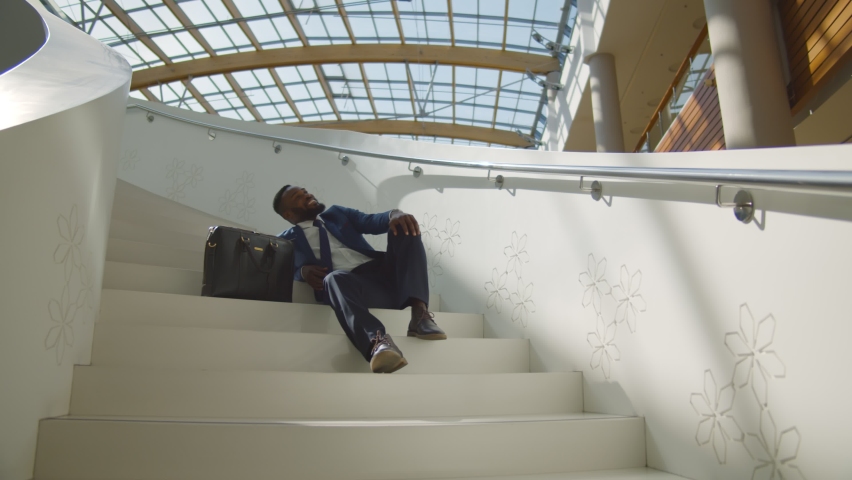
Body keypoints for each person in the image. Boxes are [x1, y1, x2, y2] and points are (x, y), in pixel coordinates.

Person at [273, 185, 446, 374]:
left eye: (305, 191)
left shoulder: (336, 214)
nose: (307, 195)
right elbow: (283, 269)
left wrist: (394, 214)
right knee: (333, 279)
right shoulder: (286, 241)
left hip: (386, 274)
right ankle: (378, 344)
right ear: (288, 214)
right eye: (298, 196)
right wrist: (303, 271)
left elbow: (369, 221)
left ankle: (420, 316)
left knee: (403, 227)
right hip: (357, 287)